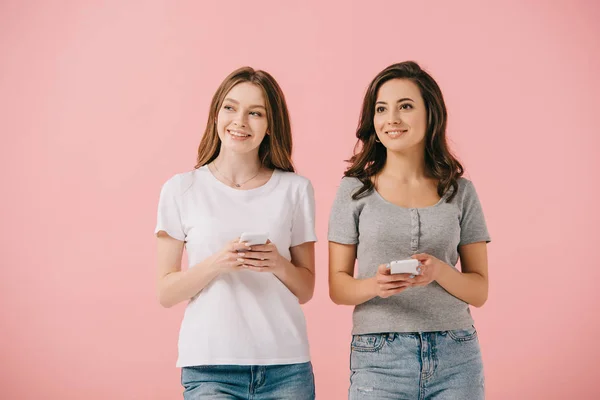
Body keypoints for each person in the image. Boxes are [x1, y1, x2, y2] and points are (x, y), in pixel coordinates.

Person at [328, 61, 491, 399]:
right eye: (381, 109)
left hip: (456, 353)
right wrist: (377, 284)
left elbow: (479, 290)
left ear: (430, 114)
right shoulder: (353, 190)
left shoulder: (460, 191)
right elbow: (338, 288)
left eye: (405, 106)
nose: (392, 119)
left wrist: (439, 271)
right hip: (379, 356)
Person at [155, 67, 316, 399]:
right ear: (216, 113)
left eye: (255, 113)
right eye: (230, 108)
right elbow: (166, 292)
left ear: (270, 126)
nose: (240, 121)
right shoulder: (182, 189)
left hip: (286, 367)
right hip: (210, 367)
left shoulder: (295, 189)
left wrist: (277, 264)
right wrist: (218, 262)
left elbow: (306, 288)